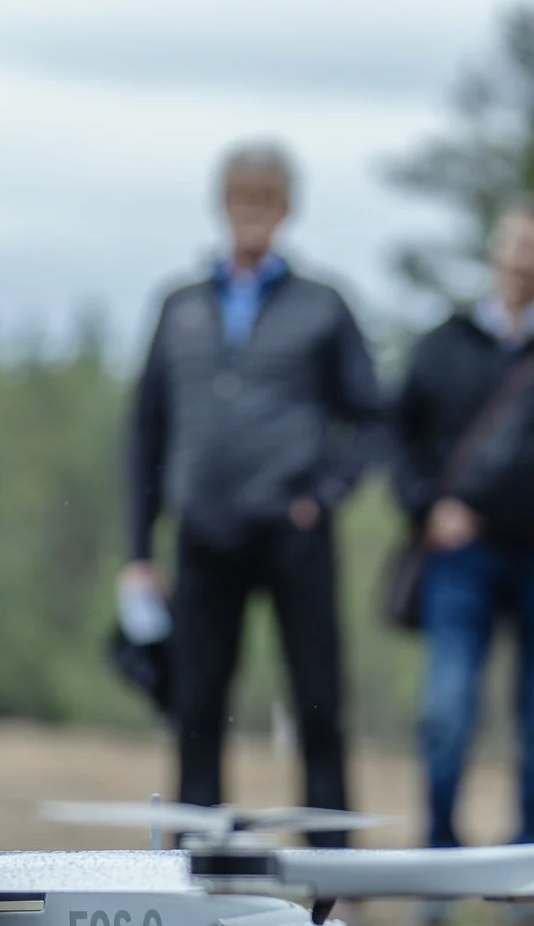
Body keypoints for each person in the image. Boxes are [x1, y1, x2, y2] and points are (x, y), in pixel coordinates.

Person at [122, 143, 386, 838]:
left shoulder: (323, 305)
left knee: (319, 699)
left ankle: (332, 860)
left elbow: (369, 418)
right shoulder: (178, 306)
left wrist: (322, 494)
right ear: (223, 205)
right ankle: (196, 858)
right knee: (197, 702)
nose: (252, 213)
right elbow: (146, 430)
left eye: (265, 200)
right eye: (242, 198)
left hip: (293, 531)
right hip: (203, 534)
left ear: (286, 209)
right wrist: (138, 547)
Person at [392, 200, 534, 926]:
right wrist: (427, 507)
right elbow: (400, 437)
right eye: (517, 246)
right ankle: (441, 865)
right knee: (446, 711)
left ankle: (528, 873)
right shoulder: (443, 344)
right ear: (495, 250)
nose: (526, 262)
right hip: (463, 552)